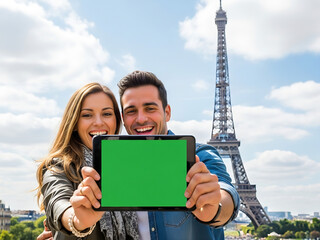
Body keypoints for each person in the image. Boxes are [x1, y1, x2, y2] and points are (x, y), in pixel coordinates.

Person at [38, 71, 240, 239]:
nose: (141, 119)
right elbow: (60, 202)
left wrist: (214, 209)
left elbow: (226, 194)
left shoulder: (199, 156)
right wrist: (74, 221)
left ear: (167, 112)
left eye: (150, 108)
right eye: (131, 111)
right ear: (123, 119)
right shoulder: (117, 166)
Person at [36, 83, 140, 239]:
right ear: (75, 123)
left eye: (107, 114)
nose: (98, 122)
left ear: (116, 121)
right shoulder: (57, 166)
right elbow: (58, 202)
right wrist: (77, 220)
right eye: (87, 115)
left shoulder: (127, 167)